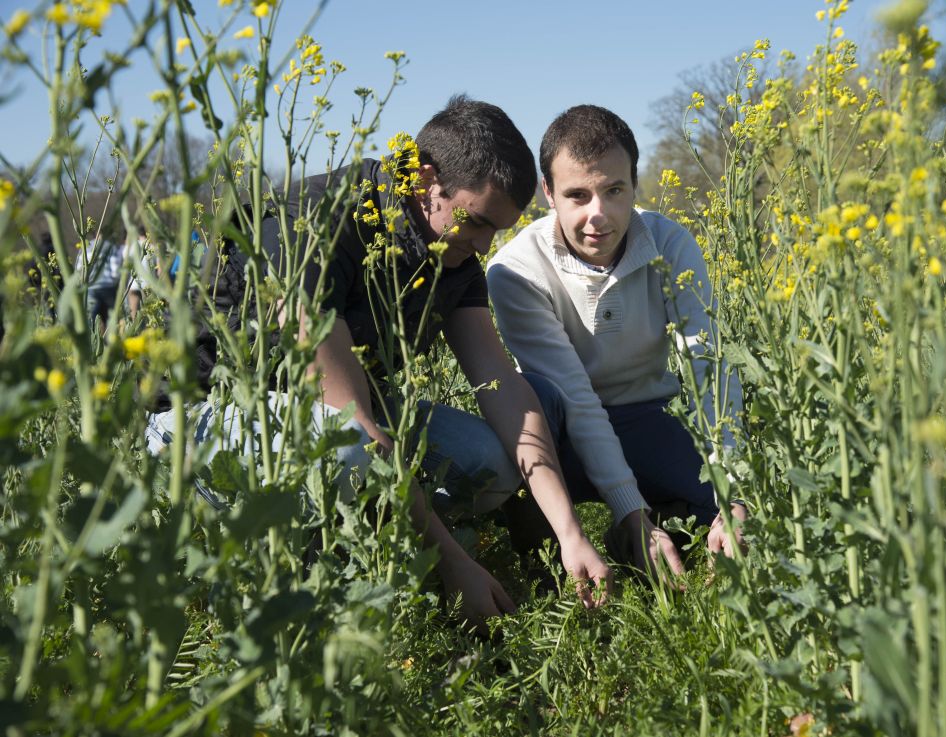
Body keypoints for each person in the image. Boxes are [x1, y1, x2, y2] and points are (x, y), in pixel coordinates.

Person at [144, 96, 612, 633]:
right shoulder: (311, 224)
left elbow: (500, 382)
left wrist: (570, 532)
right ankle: (317, 582)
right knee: (349, 454)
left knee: (497, 460)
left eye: (496, 231)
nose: (485, 246)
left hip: (337, 416)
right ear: (426, 180)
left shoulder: (450, 246)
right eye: (479, 222)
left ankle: (398, 528)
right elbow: (356, 426)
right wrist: (452, 564)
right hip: (202, 417)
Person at [486, 105, 748, 581]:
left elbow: (708, 369)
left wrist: (735, 497)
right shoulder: (516, 271)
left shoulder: (670, 243)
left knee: (734, 502)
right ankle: (547, 555)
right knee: (535, 401)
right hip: (564, 429)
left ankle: (653, 527)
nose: (598, 215)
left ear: (634, 182)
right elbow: (576, 397)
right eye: (577, 195)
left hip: (648, 418)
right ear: (548, 193)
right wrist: (629, 508)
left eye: (614, 190)